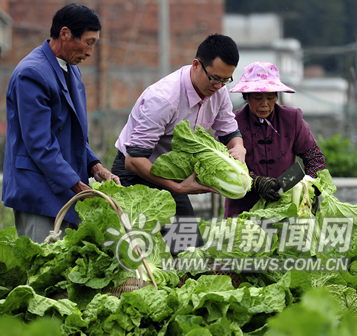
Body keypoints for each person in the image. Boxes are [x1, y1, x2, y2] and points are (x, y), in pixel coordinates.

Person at [111, 34, 246, 254]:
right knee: (134, 256)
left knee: (189, 254)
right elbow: (133, 160)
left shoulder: (218, 92)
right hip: (136, 175)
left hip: (172, 175)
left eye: (226, 80)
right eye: (214, 78)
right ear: (196, 65)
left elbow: (230, 131)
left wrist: (238, 147)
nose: (219, 85)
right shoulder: (163, 99)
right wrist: (178, 188)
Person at [2, 4, 120, 244]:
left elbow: (74, 133)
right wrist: (79, 188)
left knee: (65, 274)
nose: (90, 52)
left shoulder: (71, 69)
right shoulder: (31, 73)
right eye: (89, 42)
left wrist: (95, 166)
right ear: (65, 34)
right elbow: (40, 143)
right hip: (39, 192)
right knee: (41, 272)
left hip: (66, 188)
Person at [224, 61, 326, 218]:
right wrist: (255, 182)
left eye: (270, 98)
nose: (264, 104)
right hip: (243, 210)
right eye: (258, 98)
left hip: (287, 209)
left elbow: (315, 158)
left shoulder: (292, 119)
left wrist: (309, 189)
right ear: (246, 97)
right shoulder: (232, 123)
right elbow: (224, 166)